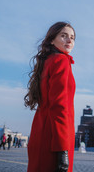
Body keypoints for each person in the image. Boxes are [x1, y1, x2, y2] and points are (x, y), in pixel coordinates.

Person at [25, 22, 76, 172]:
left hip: (41, 131)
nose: (69, 40)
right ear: (52, 39)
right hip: (53, 139)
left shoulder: (47, 62)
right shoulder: (61, 61)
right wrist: (63, 149)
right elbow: (59, 107)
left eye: (72, 37)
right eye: (64, 35)